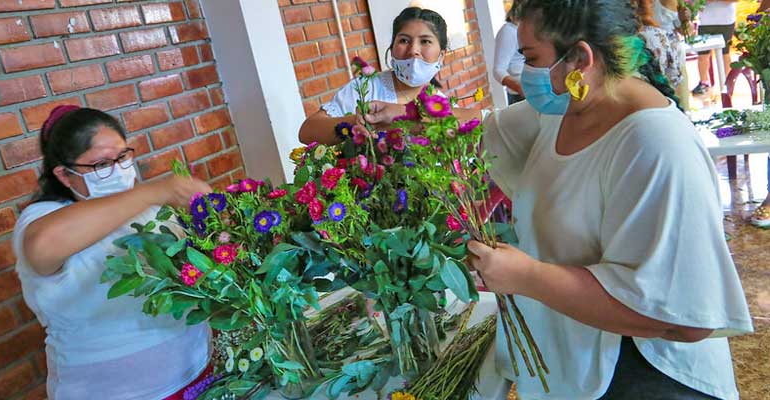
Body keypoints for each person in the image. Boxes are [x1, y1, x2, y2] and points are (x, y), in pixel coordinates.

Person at [468, 1, 753, 399]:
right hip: (576, 362)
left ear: (580, 58)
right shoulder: (566, 108)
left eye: (530, 57)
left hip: (645, 374)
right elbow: (470, 134)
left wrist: (527, 277)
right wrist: (393, 119)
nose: (523, 71)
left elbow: (685, 321)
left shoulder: (655, 144)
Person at [12, 106, 214, 399]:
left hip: (195, 371)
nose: (119, 169)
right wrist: (153, 191)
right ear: (65, 175)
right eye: (101, 164)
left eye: (122, 157)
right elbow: (42, 246)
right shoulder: (42, 217)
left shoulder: (151, 210)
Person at [298, 6, 481, 145]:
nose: (413, 51)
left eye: (425, 41)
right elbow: (307, 131)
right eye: (404, 40)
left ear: (441, 54)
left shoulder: (443, 107)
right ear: (392, 48)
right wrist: (357, 123)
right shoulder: (365, 88)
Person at [691, 1, 738, 96]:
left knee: (725, 53)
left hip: (726, 21)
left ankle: (727, 82)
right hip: (705, 22)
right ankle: (704, 82)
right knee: (702, 55)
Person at [493, 2, 526, 105]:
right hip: (519, 97)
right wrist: (519, 87)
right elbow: (498, 70)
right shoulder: (508, 31)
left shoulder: (530, 30)